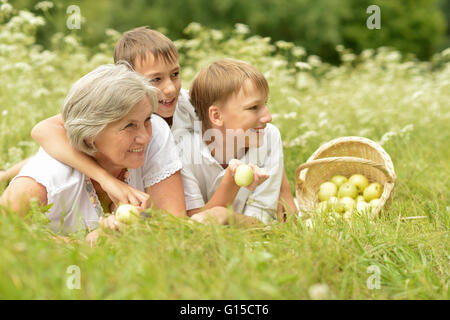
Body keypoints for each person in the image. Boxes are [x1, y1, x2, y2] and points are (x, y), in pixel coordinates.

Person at [2, 27, 297, 218]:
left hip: (162, 167)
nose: (168, 88)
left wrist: (283, 191)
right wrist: (105, 179)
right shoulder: (111, 104)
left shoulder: (185, 102)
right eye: (155, 79)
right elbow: (45, 131)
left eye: (175, 74)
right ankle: (7, 174)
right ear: (126, 78)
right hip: (110, 157)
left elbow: (260, 136)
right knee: (63, 151)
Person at [0, 63, 188, 242]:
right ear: (91, 134)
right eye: (129, 125)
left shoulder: (156, 134)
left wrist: (140, 230)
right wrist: (82, 245)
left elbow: (175, 226)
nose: (145, 137)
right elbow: (5, 235)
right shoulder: (48, 177)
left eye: (146, 120)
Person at [174, 58, 296, 224]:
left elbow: (263, 221)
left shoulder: (270, 137)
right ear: (217, 116)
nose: (268, 117)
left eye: (265, 104)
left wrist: (227, 216)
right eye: (253, 107)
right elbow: (193, 222)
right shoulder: (184, 149)